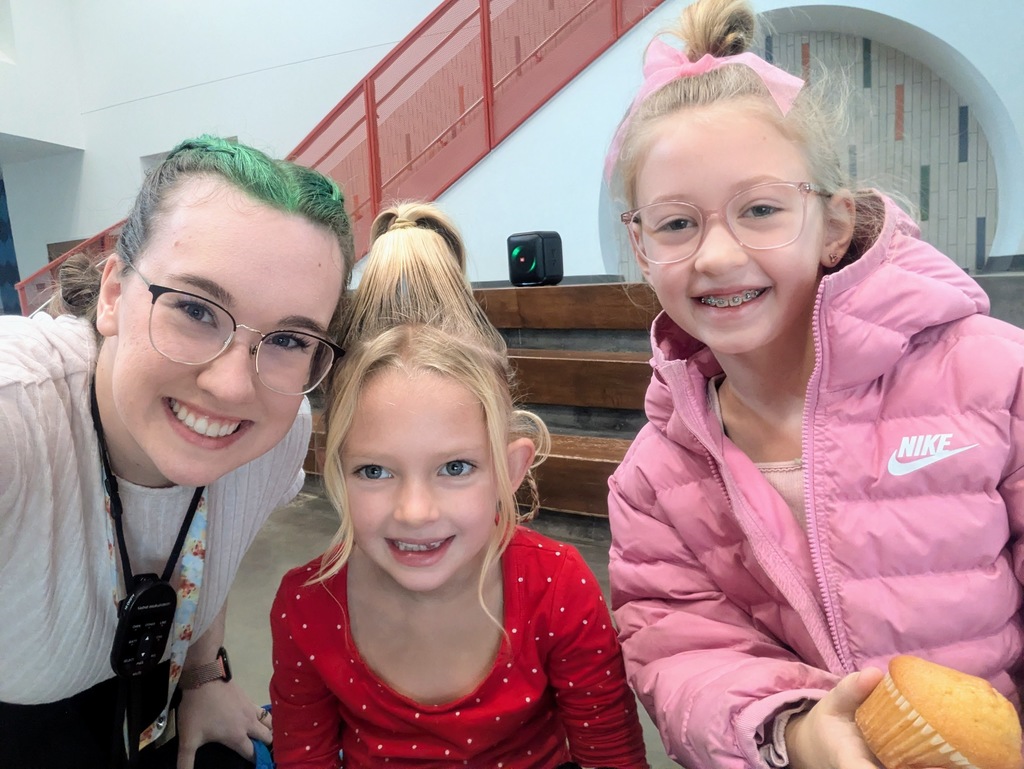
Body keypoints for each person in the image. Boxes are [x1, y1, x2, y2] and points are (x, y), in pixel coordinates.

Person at [604, 1, 1024, 768]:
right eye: (676, 224)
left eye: (760, 209)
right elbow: (683, 654)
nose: (717, 255)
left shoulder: (993, 378)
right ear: (639, 243)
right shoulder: (652, 480)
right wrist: (795, 731)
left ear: (833, 222)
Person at [0, 135, 354, 769]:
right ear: (112, 295)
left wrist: (203, 675)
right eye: (195, 308)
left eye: (289, 338)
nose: (232, 385)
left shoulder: (280, 428)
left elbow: (214, 544)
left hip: (147, 715)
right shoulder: (19, 416)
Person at [269, 202, 650, 769]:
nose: (416, 511)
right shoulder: (305, 606)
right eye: (375, 471)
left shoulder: (556, 587)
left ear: (510, 470)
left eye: (455, 468)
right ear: (336, 472)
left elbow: (611, 759)